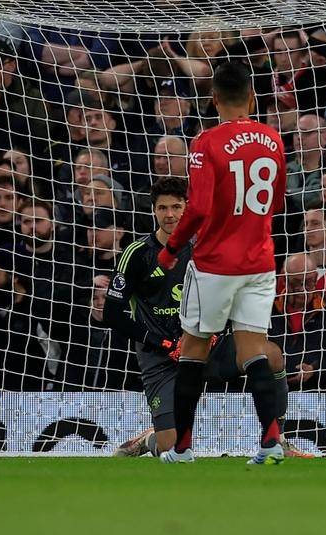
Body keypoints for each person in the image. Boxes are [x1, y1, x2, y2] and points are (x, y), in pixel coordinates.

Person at [104, 177, 296, 459]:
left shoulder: (205, 248)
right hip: (160, 357)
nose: (170, 215)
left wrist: (215, 333)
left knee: (272, 355)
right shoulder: (137, 253)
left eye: (176, 207)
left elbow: (232, 296)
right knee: (170, 446)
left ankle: (278, 439)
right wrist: (163, 343)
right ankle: (150, 439)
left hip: (208, 343)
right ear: (154, 210)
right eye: (162, 208)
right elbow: (112, 313)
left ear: (187, 208)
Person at [158, 62, 288, 466]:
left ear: (214, 100)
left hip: (215, 264)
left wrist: (171, 247)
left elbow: (197, 208)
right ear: (252, 97)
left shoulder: (206, 142)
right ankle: (271, 440)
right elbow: (277, 200)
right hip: (259, 262)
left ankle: (182, 448)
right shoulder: (273, 139)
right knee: (254, 350)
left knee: (192, 350)